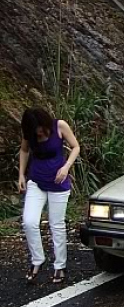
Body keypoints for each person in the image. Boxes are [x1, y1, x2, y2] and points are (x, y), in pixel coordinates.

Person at [18, 108, 81, 285]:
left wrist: (66, 167)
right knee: (29, 222)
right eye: (34, 129)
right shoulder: (29, 133)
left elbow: (76, 146)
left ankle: (60, 266)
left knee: (56, 224)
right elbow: (24, 151)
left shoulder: (59, 126)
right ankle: (37, 260)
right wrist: (21, 175)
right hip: (36, 181)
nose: (37, 132)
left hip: (58, 183)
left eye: (39, 127)